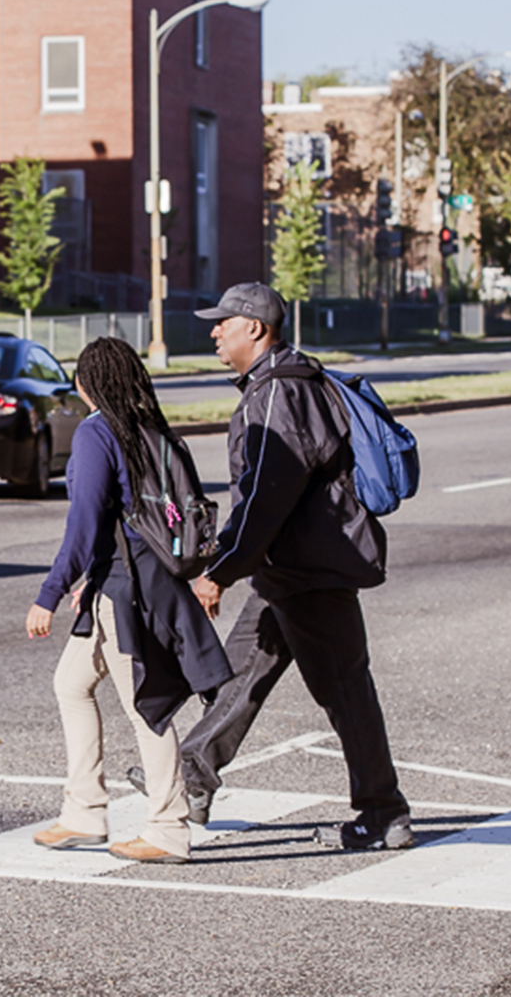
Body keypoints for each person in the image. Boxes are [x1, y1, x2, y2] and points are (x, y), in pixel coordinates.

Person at [177, 282, 414, 851]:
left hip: (310, 566)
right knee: (241, 669)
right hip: (294, 564)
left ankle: (384, 813)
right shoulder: (286, 383)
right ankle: (192, 775)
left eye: (224, 322)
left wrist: (221, 569)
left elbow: (266, 496)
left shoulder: (278, 394)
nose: (214, 331)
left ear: (255, 328)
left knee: (344, 691)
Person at [26, 337, 232, 864]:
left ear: (86, 382)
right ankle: (84, 812)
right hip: (138, 583)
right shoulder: (150, 429)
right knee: (71, 684)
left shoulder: (98, 433)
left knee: (148, 707)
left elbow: (87, 521)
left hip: (126, 593)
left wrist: (50, 592)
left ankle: (168, 829)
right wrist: (87, 580)